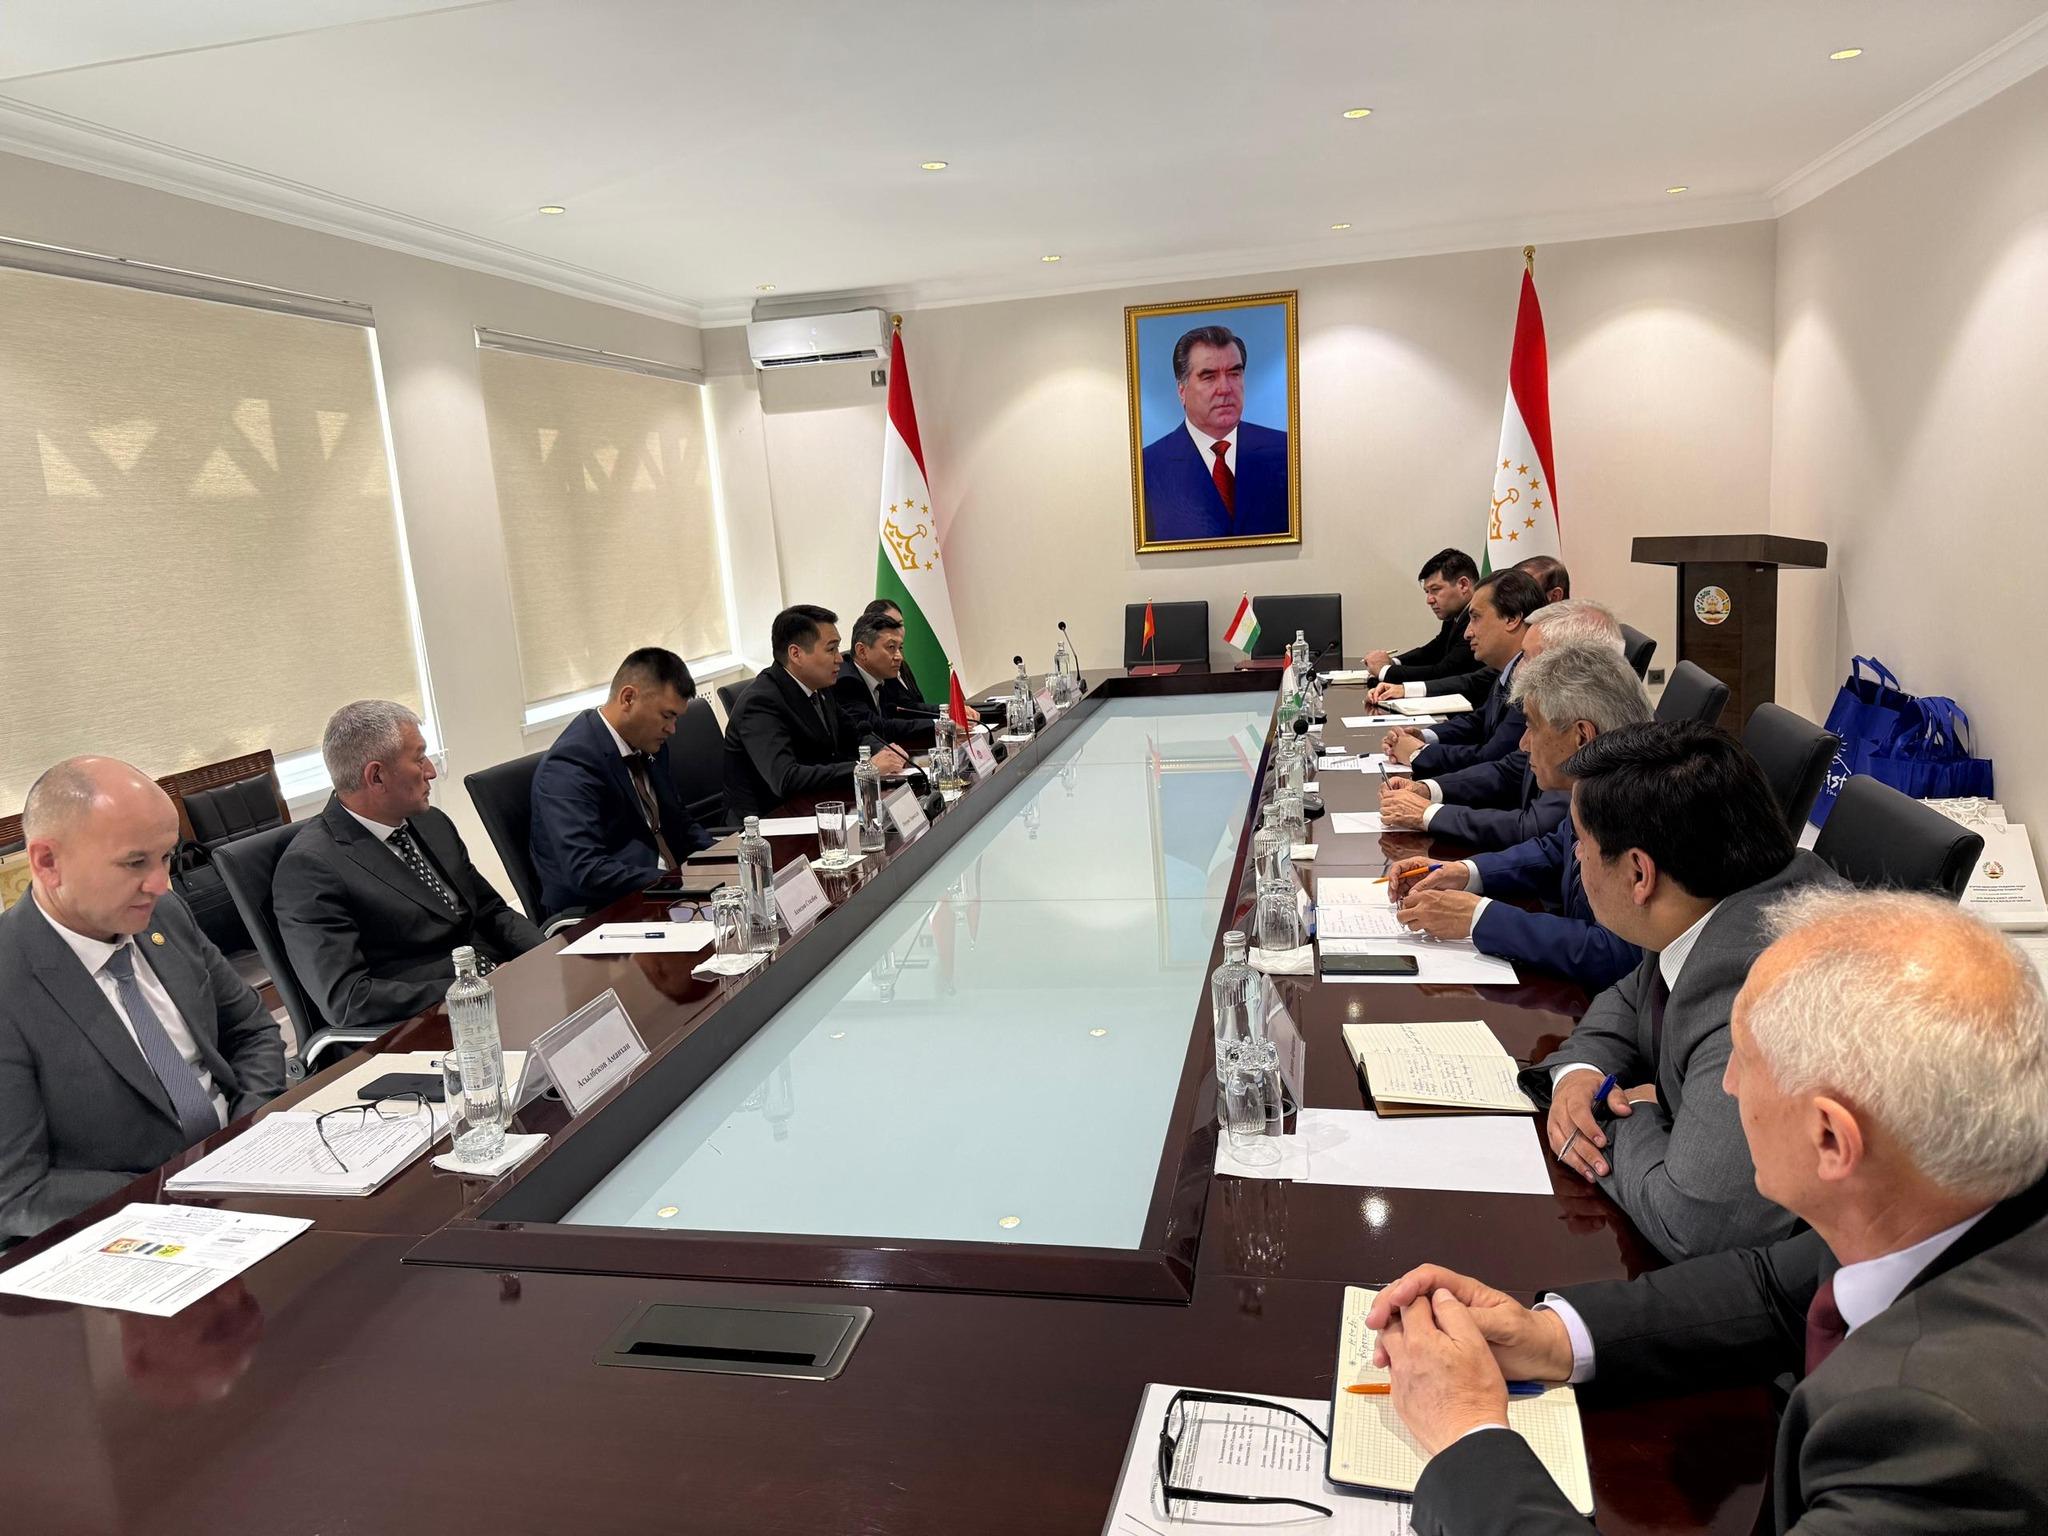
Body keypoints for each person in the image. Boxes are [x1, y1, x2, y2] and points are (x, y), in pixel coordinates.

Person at [1362, 889, 2048, 1536]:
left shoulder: (1948, 1439)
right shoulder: (1946, 1199)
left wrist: (1467, 1432)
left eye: (1743, 1060)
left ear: (1831, 1139)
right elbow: (1775, 1288)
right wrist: (1548, 1336)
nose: (1725, 1084)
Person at [1525, 720, 1841, 1261]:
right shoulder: (1717, 896)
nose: (1575, 857)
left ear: (1638, 874)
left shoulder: (1755, 999)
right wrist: (1579, 1072)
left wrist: (1612, 1114)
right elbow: (1629, 997)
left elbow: (1694, 1224)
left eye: (1582, 842)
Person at [0, 757, 285, 1243]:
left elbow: (252, 1031)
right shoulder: (11, 979)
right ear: (48, 862)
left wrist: (243, 1137)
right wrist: (172, 1195)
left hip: (244, 1166)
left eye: (166, 857)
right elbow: (17, 1192)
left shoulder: (164, 916)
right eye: (135, 863)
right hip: (131, 1224)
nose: (160, 884)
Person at [1390, 642, 1650, 990]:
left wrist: (1477, 918)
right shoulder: (1598, 785)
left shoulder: (1643, 808)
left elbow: (1615, 955)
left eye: (1532, 726)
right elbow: (1553, 851)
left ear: (1582, 737)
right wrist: (1464, 872)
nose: (1523, 743)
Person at [275, 701, 542, 1033]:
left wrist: (549, 954)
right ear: (376, 776)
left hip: (501, 990)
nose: (431, 771)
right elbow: (348, 999)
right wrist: (471, 988)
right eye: (419, 759)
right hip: (424, 1024)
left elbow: (490, 910)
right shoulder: (310, 868)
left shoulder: (432, 822)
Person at [1379, 600, 1622, 848]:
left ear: (1574, 664)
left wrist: (1427, 813)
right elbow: (1511, 770)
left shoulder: (1588, 734)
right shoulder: (1555, 709)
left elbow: (1533, 830)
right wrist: (1427, 790)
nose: (1517, 669)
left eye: (1527, 658)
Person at [530, 648, 714, 921]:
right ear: (628, 698)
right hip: (607, 913)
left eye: (676, 718)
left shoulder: (648, 743)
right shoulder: (570, 766)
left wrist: (724, 856)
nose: (672, 729)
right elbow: (587, 870)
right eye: (667, 716)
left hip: (664, 894)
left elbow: (678, 820)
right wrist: (673, 881)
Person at [724, 605, 911, 821]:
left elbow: (855, 734)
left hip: (821, 807)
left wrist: (886, 751)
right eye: (831, 649)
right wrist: (865, 768)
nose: (840, 658)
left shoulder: (819, 686)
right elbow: (786, 778)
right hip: (770, 823)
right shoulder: (760, 703)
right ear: (796, 654)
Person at [1381, 568, 1545, 779]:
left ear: (1512, 618)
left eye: (1476, 618)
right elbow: (1480, 720)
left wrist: (1419, 753)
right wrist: (1425, 736)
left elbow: (1492, 757)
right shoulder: (1509, 666)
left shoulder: (1535, 678)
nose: (1467, 633)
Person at [1139, 325, 1290, 543]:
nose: (1225, 388)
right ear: (1182, 390)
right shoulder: (1147, 468)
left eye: (1234, 373)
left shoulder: (1286, 451)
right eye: (1209, 377)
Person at [1364, 549, 1481, 688]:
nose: (1429, 600)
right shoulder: (1455, 614)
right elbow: (1433, 651)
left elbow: (1446, 672)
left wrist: (1385, 671)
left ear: (1463, 585)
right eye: (1427, 592)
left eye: (1435, 590)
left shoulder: (1479, 619)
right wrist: (1392, 662)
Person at [858, 599, 978, 723]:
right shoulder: (878, 670)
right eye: (889, 625)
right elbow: (904, 709)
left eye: (899, 624)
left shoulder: (901, 662)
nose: (896, 630)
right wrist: (947, 715)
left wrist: (951, 711)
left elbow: (916, 704)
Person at [833, 611, 939, 748]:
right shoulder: (845, 682)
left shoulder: (885, 675)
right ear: (862, 651)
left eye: (900, 648)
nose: (899, 657)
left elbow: (906, 709)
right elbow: (878, 727)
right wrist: (938, 725)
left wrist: (947, 714)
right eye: (891, 647)